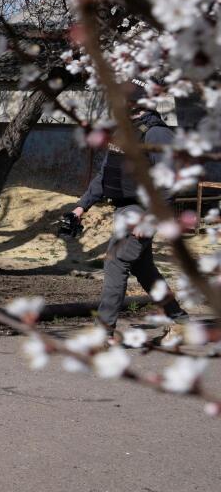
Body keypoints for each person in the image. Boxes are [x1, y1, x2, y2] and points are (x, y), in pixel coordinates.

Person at [59, 86, 189, 341]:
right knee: (144, 268)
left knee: (116, 263)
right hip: (124, 209)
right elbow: (106, 176)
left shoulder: (158, 134)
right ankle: (179, 319)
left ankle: (104, 331)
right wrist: (81, 206)